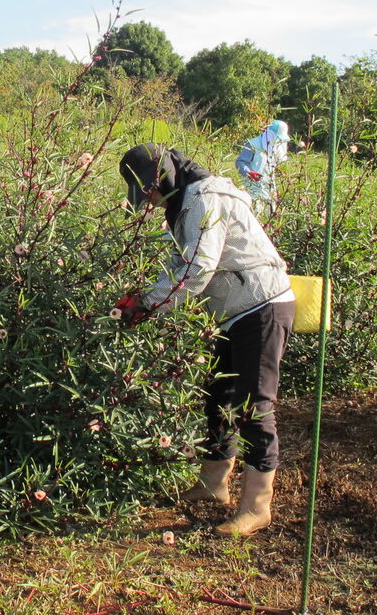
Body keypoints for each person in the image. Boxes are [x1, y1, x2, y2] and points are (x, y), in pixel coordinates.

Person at [118, 143, 296, 536]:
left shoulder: (203, 198)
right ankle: (213, 485)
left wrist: (146, 304)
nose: (146, 197)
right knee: (219, 397)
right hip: (234, 314)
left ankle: (256, 506)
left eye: (147, 187)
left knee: (253, 404)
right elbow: (181, 263)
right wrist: (145, 294)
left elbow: (197, 267)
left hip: (261, 307)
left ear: (164, 174)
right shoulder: (182, 203)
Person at [234, 119, 291, 215]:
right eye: (277, 137)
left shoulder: (276, 147)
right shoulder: (253, 144)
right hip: (252, 190)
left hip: (270, 191)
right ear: (271, 134)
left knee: (269, 219)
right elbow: (240, 162)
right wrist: (249, 173)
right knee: (255, 218)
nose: (279, 141)